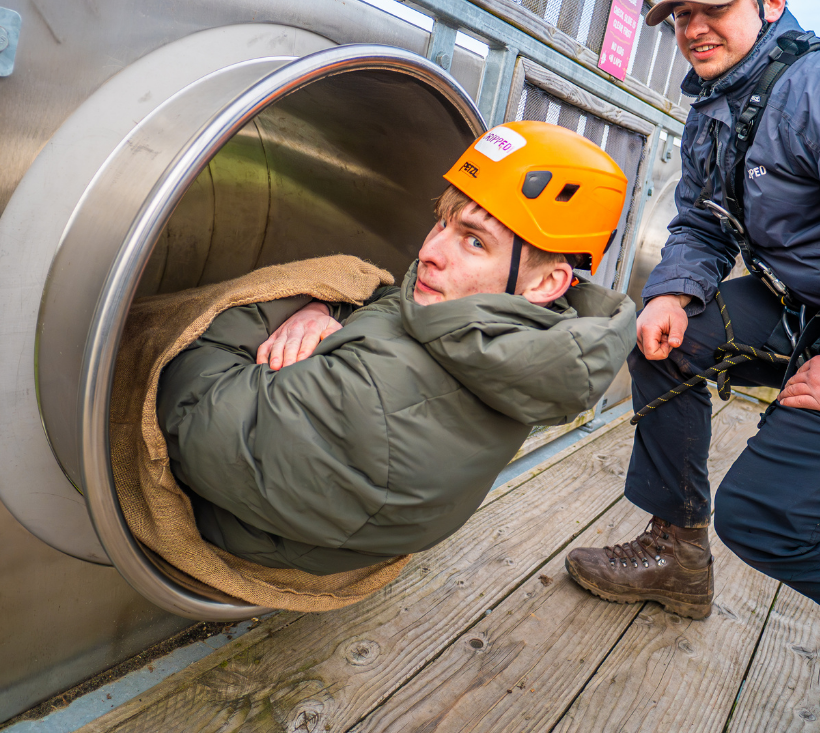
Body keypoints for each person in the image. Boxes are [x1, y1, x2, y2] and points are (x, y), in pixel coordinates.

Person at [563, 0, 820, 686]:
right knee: (665, 339)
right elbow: (701, 219)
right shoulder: (715, 105)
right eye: (680, 14)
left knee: (767, 516)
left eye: (715, 7)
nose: (693, 29)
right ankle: (676, 552)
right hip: (812, 312)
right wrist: (672, 292)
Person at [157, 121, 637, 574]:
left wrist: (273, 309)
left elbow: (185, 413)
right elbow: (392, 306)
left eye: (474, 242)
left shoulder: (380, 397)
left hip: (230, 525)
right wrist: (324, 311)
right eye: (442, 223)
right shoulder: (510, 337)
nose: (429, 251)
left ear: (546, 282)